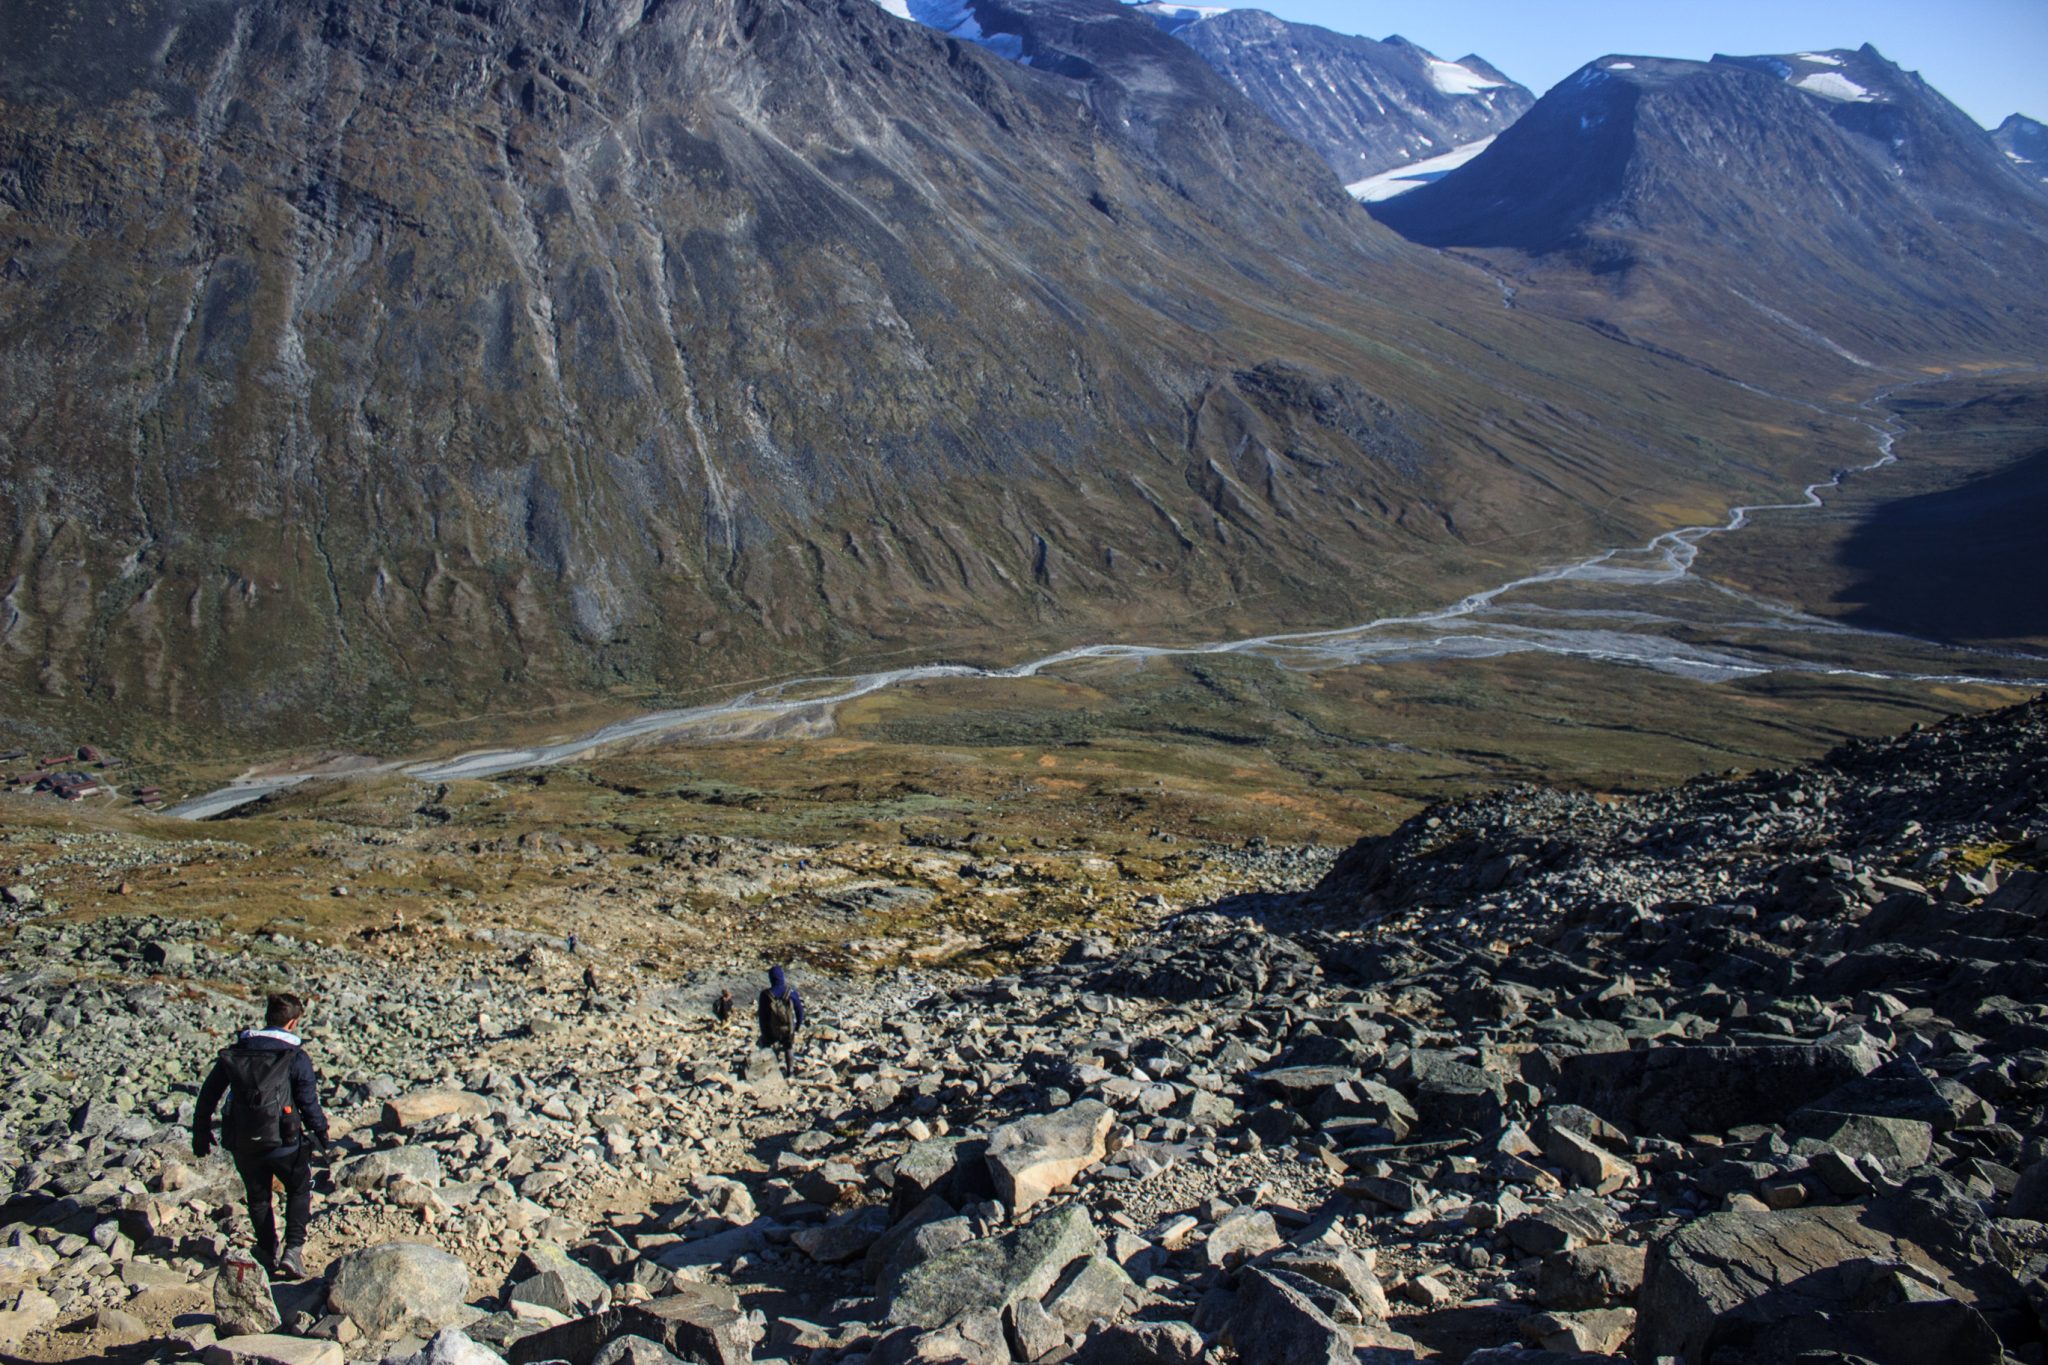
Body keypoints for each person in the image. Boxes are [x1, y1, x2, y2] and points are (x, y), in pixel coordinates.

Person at [193, 993, 330, 1280]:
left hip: (243, 1140)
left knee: (258, 1197)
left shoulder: (237, 1051)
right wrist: (321, 1132)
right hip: (285, 1140)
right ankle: (293, 1250)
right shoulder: (295, 1056)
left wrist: (201, 1131)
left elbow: (208, 1095)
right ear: (292, 1023)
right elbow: (308, 1101)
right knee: (299, 1188)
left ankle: (267, 1250)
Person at [757, 965, 806, 1074]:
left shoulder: (765, 995)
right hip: (788, 1028)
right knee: (788, 1047)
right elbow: (799, 1010)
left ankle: (769, 1071)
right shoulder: (790, 992)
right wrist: (797, 1025)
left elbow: (762, 1015)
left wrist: (764, 1032)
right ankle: (790, 1070)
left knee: (766, 1047)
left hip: (771, 1029)